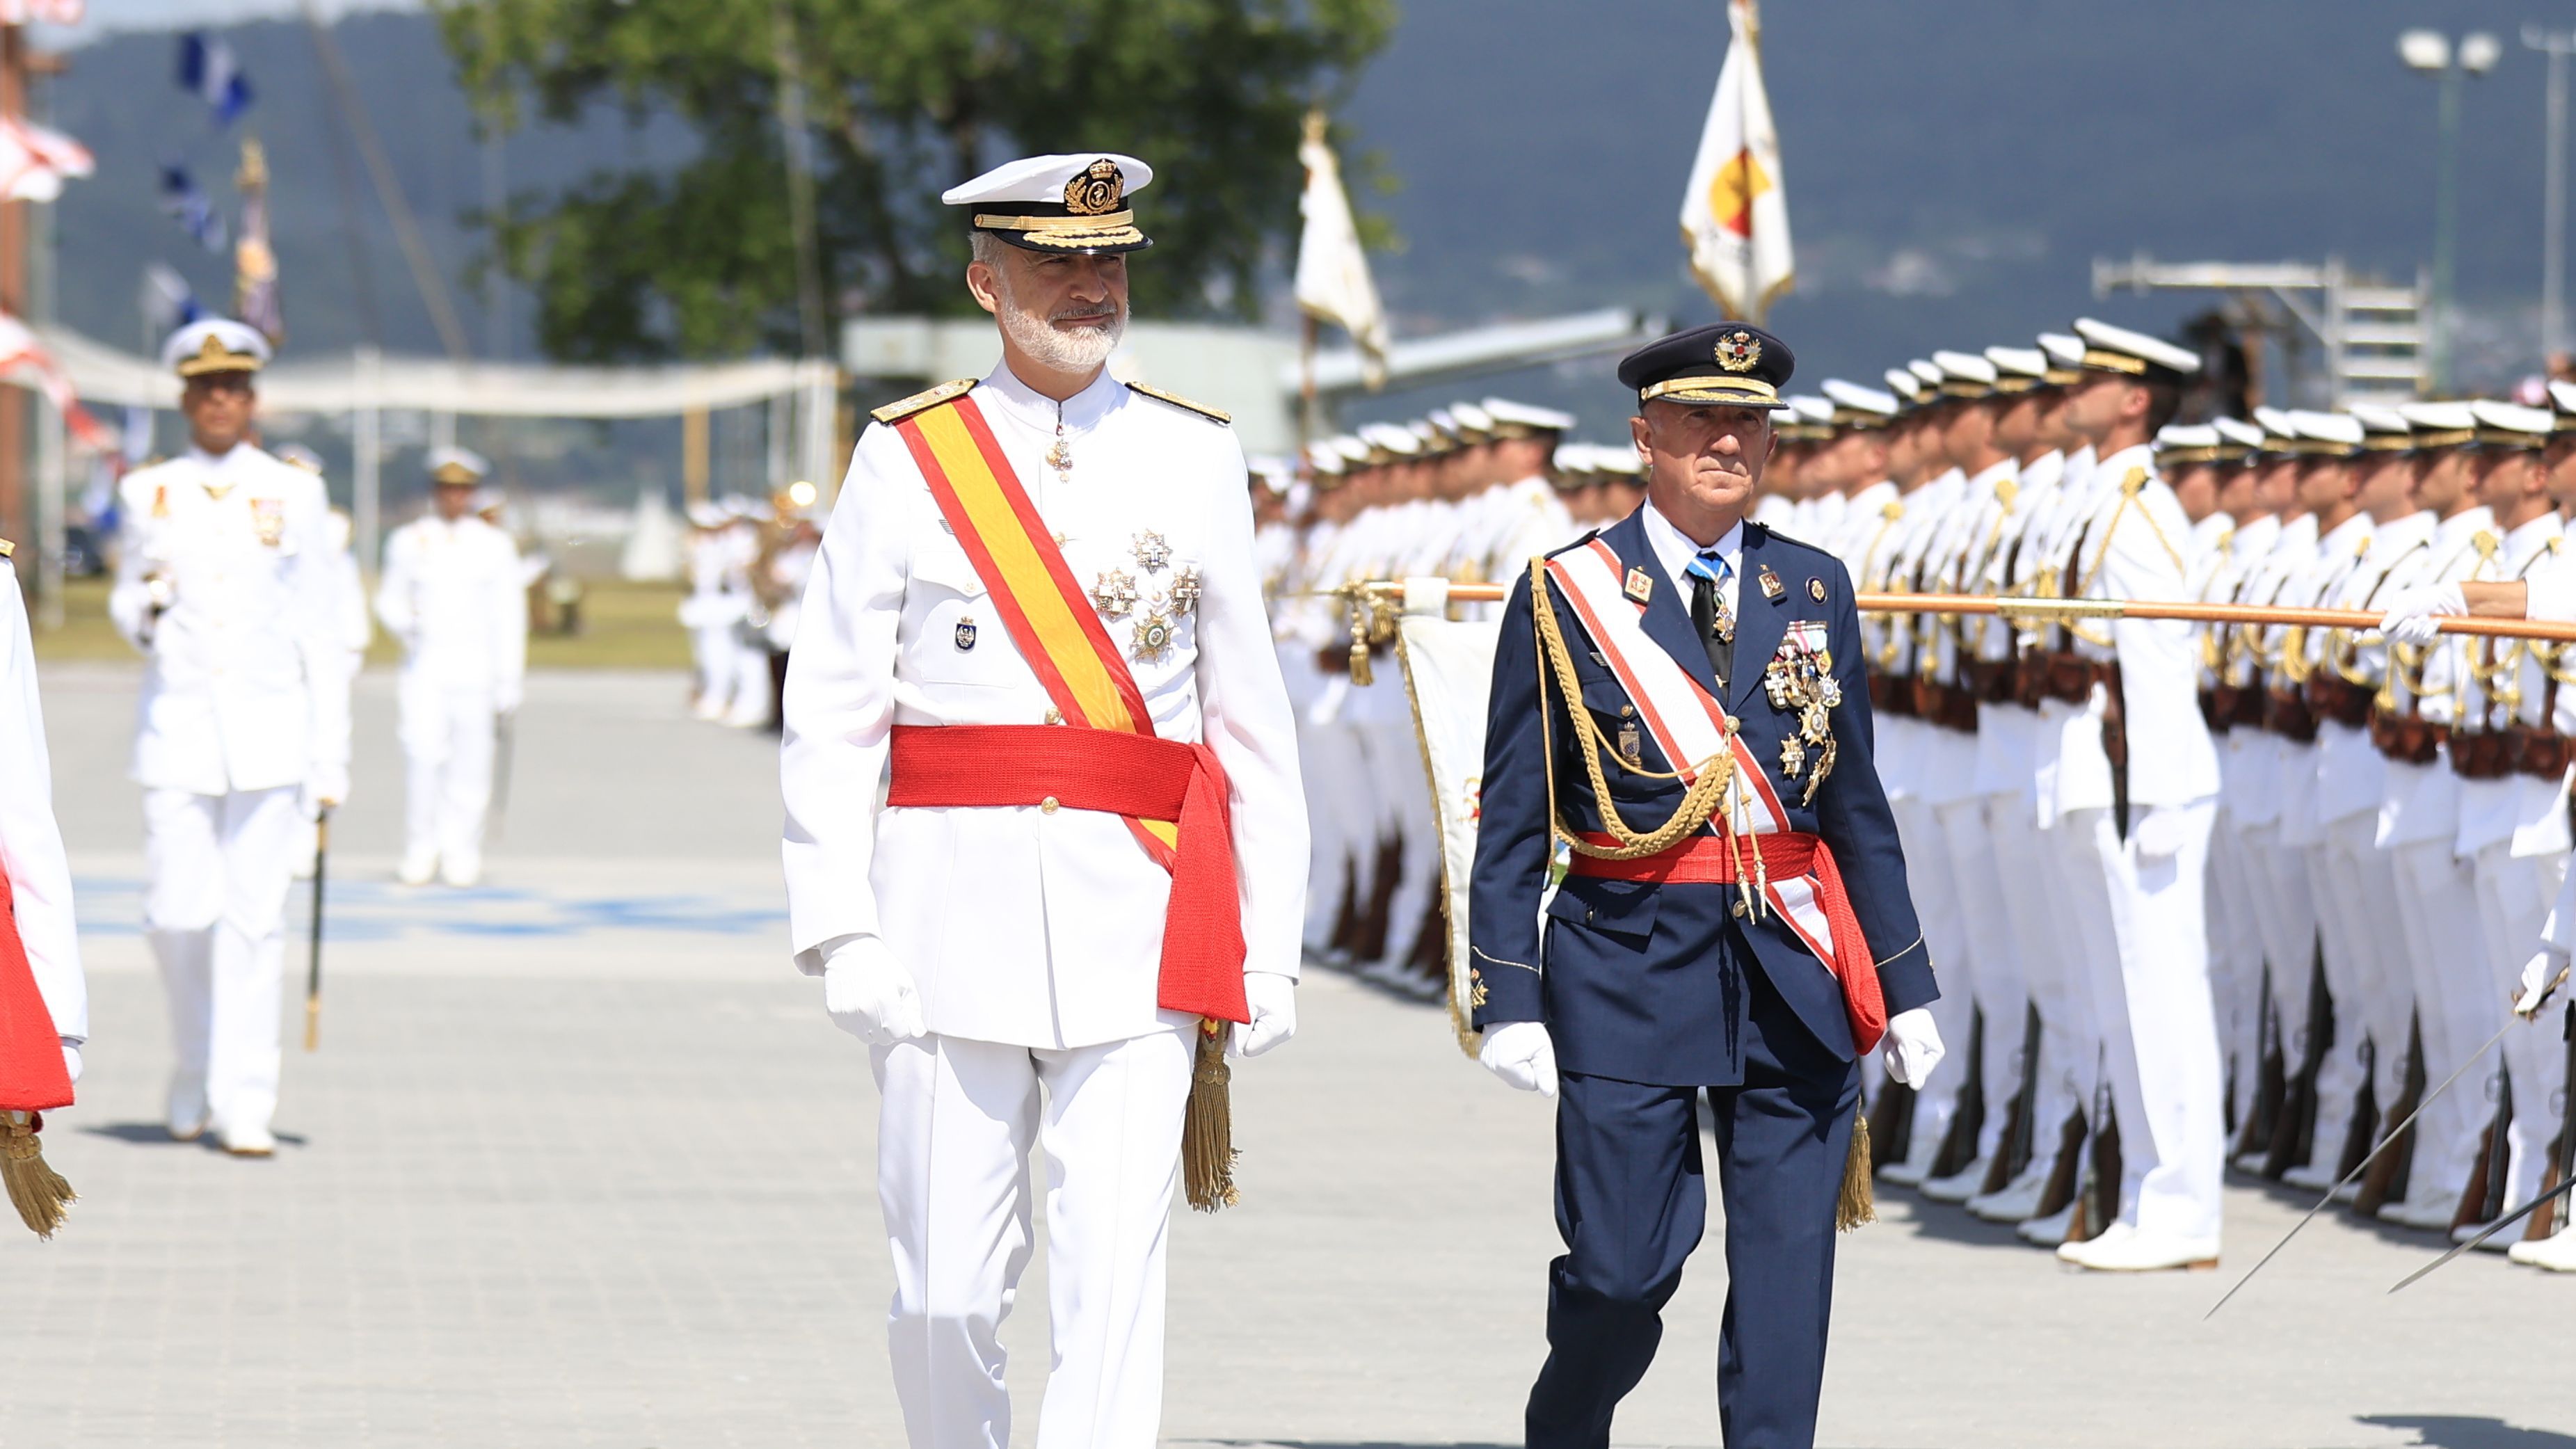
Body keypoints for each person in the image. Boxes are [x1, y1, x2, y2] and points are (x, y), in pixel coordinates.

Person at [778, 152, 1306, 1448]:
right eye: (1057, 263)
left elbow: (1248, 716)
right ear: (986, 284)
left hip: (1143, 917)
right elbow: (833, 707)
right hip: (940, 927)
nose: (1090, 286)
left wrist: (1269, 941)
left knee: (1114, 1286)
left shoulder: (1194, 451)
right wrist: (838, 926)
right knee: (942, 1293)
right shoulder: (909, 455)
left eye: (1108, 261)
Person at [1467, 321, 1943, 1449]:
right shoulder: (1566, 592)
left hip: (1791, 962)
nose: (1727, 441)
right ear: (1645, 437)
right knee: (1620, 1270)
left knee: (1787, 1278)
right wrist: (1506, 993)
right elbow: (1514, 810)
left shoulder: (1811, 585)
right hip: (1625, 958)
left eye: (1748, 422)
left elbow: (1852, 800)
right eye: (1699, 420)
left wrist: (1905, 981)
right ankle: (1564, 1426)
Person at [108, 318, 347, 1157]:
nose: (220, 400)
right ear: (186, 399)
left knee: (255, 920)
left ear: (252, 400)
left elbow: (321, 627)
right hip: (177, 730)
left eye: (234, 387)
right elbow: (127, 596)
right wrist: (142, 610)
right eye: (206, 388)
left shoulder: (295, 492)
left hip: (271, 732)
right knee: (174, 915)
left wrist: (331, 755)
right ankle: (195, 1056)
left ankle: (246, 1096)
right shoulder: (149, 491)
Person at [375, 447, 527, 888]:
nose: (454, 497)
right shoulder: (410, 540)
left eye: (462, 490)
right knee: (423, 758)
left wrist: (509, 679)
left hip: (476, 667)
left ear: (473, 493)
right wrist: (406, 625)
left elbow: (508, 615)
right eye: (446, 489)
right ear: (435, 492)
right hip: (425, 664)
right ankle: (420, 849)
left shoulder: (494, 545)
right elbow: (389, 599)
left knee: (471, 765)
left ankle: (462, 850)